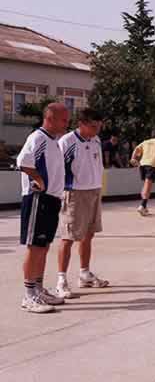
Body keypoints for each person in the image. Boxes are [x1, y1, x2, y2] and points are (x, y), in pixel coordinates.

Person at [16, 103, 70, 313]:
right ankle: (28, 295)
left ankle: (38, 289)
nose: (67, 123)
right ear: (50, 119)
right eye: (63, 120)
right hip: (38, 198)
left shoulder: (53, 141)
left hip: (51, 199)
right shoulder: (38, 138)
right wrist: (39, 179)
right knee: (35, 246)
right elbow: (23, 161)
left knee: (44, 245)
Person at [55, 108, 109, 299]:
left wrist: (99, 187)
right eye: (93, 126)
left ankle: (84, 273)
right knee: (68, 237)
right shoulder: (67, 142)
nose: (97, 130)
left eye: (99, 126)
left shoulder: (96, 140)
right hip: (74, 193)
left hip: (94, 191)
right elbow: (57, 169)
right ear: (81, 124)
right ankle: (61, 281)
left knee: (89, 234)